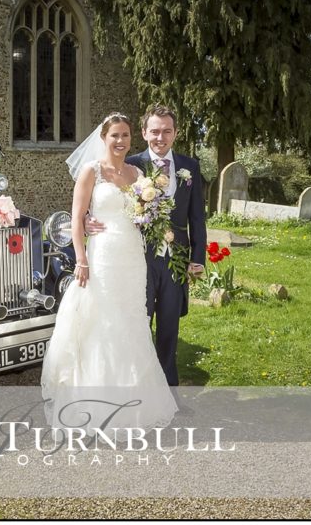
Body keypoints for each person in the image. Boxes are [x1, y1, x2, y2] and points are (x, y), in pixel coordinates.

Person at [40, 113, 177, 431]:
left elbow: (143, 215)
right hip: (101, 258)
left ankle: (136, 403)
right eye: (115, 135)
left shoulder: (137, 173)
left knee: (132, 322)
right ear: (103, 138)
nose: (120, 141)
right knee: (103, 323)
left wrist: (148, 213)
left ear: (132, 139)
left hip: (132, 256)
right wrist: (81, 259)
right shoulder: (91, 172)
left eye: (126, 135)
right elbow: (76, 218)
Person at [125, 105, 206, 389]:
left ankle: (168, 386)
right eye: (155, 131)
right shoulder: (131, 164)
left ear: (175, 133)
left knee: (170, 323)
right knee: (141, 321)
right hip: (140, 257)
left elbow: (197, 217)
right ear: (145, 132)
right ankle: (141, 385)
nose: (161, 137)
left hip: (176, 259)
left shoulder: (190, 167)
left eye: (167, 131)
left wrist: (198, 258)